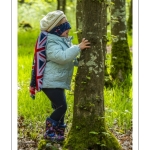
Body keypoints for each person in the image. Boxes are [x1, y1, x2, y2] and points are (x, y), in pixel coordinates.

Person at [38, 10, 90, 142]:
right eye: (65, 29)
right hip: (50, 83)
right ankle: (49, 132)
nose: (68, 31)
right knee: (62, 106)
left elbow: (69, 57)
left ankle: (58, 133)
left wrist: (82, 61)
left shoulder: (61, 40)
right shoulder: (51, 42)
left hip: (57, 81)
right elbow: (62, 57)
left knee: (59, 107)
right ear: (56, 30)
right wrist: (78, 48)